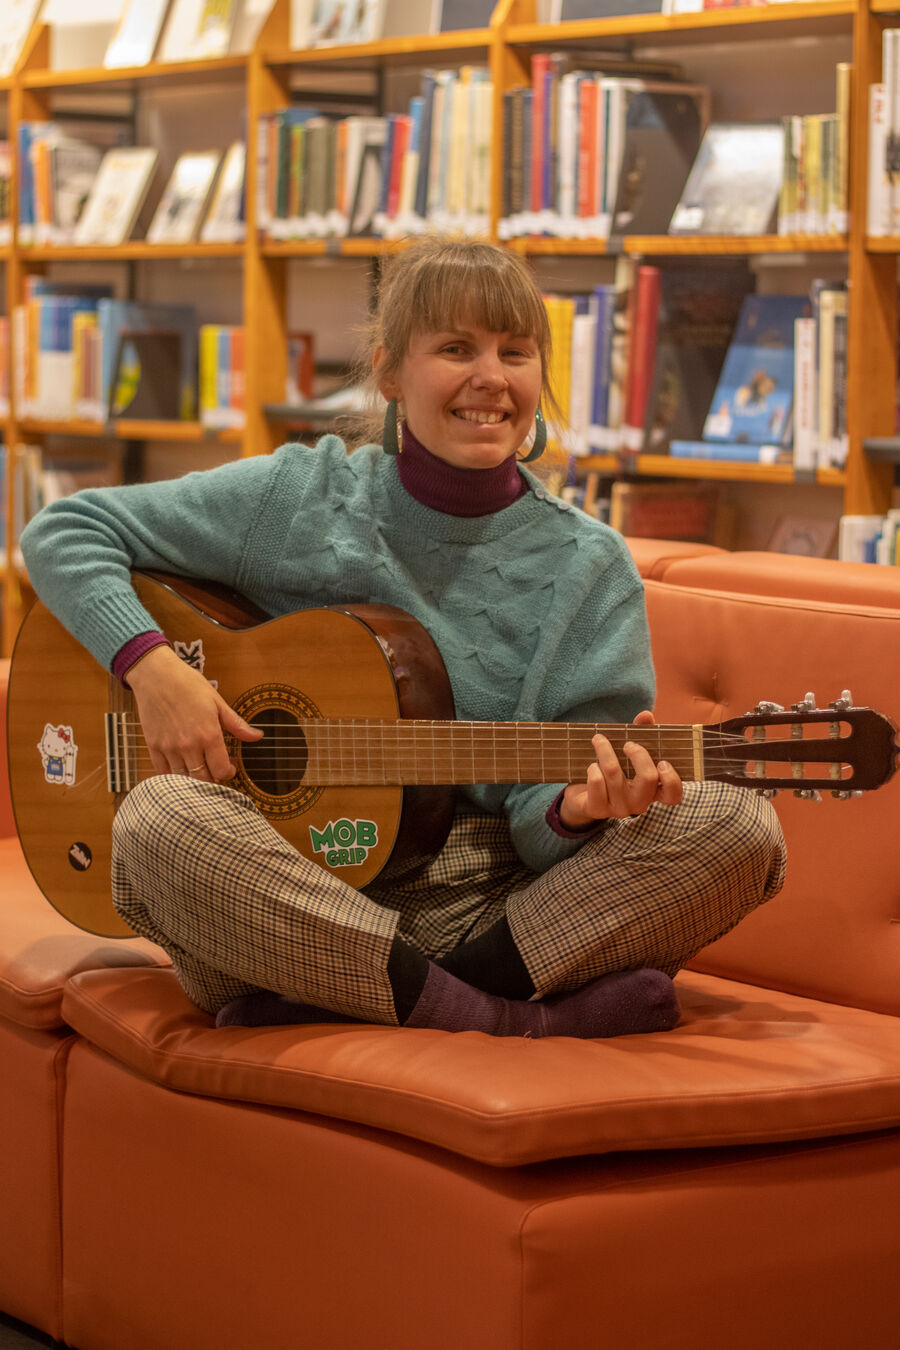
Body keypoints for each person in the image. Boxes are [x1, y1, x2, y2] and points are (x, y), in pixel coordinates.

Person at [20, 237, 786, 1039]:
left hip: (493, 903)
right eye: (456, 348)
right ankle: (507, 1019)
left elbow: (538, 820)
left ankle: (362, 995)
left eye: (514, 352)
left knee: (737, 828)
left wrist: (581, 807)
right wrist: (154, 671)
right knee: (158, 824)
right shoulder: (300, 496)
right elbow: (66, 529)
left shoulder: (588, 567)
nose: (491, 377)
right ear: (390, 372)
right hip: (288, 886)